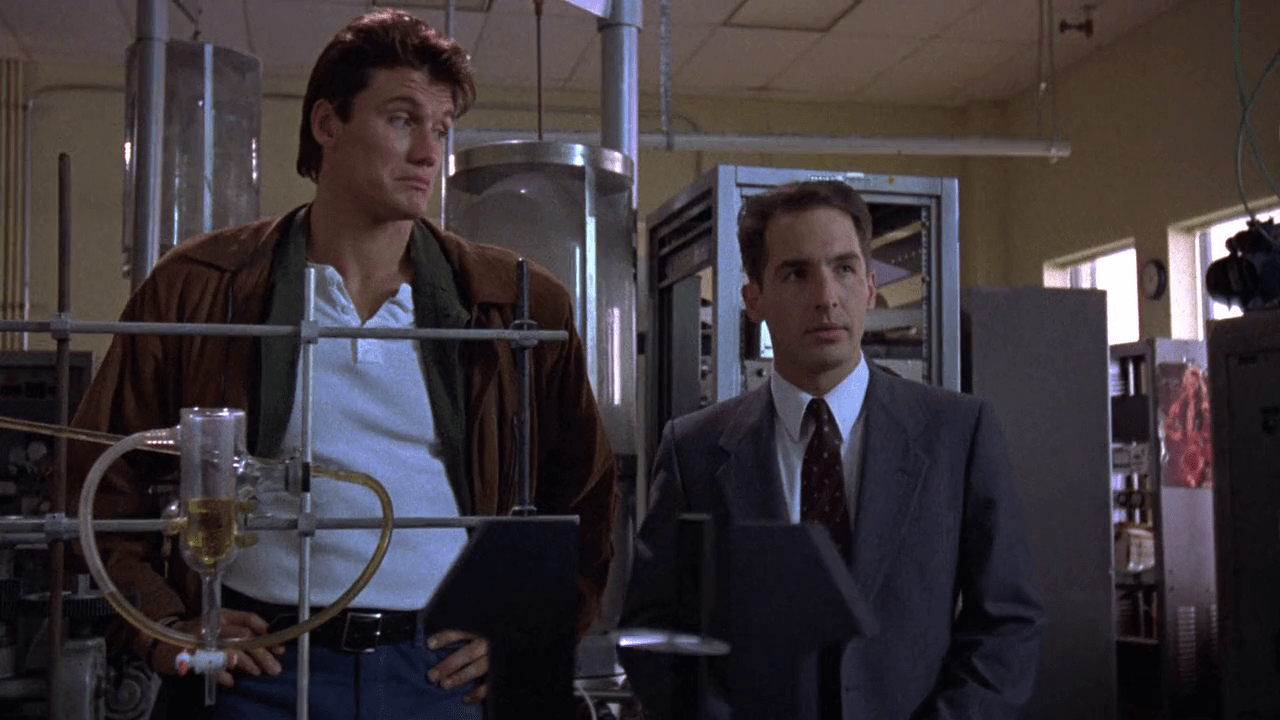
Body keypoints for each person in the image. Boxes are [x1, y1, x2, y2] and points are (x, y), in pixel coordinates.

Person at [67, 9, 617, 719]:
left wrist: (532, 625)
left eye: (442, 127)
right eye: (402, 119)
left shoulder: (514, 302)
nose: (429, 151)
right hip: (255, 671)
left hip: (439, 673)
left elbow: (586, 491)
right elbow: (97, 478)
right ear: (327, 124)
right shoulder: (202, 286)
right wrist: (163, 623)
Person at [620, 180, 1043, 719]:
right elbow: (653, 631)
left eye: (844, 269)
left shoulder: (958, 434)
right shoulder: (694, 450)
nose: (826, 297)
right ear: (754, 300)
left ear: (869, 287)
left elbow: (1008, 623)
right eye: (796, 274)